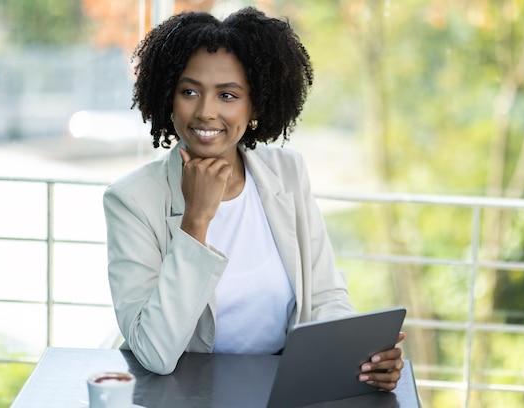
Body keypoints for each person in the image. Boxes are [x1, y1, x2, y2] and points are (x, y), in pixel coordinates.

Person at [103, 6, 406, 391]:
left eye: (227, 95)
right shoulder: (131, 200)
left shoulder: (287, 172)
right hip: (184, 395)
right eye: (189, 91)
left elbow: (325, 293)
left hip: (282, 387)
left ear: (256, 105)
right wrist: (196, 220)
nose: (205, 112)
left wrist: (361, 357)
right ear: (168, 96)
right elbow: (154, 352)